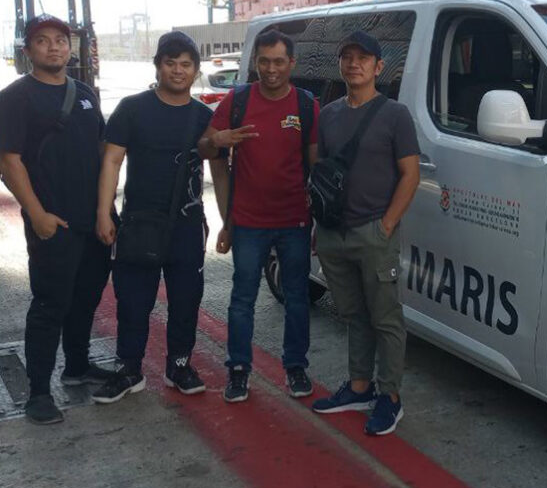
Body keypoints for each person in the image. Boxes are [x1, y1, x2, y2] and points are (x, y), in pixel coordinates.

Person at [91, 32, 224, 404]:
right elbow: (112, 161)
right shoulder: (132, 109)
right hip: (138, 223)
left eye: (185, 65)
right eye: (171, 63)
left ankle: (178, 365)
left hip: (186, 226)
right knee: (133, 301)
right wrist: (104, 213)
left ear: (195, 71)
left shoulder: (203, 117)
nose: (178, 71)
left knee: (186, 300)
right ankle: (128, 369)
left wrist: (227, 220)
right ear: (158, 66)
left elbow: (223, 170)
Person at [0, 14, 113, 424]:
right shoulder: (16, 97)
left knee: (86, 296)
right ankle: (38, 393)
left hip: (92, 220)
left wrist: (106, 211)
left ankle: (78, 365)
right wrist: (37, 215)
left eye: (61, 40)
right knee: (50, 305)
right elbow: (9, 161)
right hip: (52, 222)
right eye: (43, 41)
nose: (54, 47)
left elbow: (103, 154)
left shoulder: (84, 93)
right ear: (28, 50)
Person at [198, 30, 319, 403]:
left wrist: (317, 220)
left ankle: (295, 366)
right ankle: (238, 369)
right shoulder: (237, 101)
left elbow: (315, 165)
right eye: (264, 61)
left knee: (297, 297)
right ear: (255, 62)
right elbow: (204, 148)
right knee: (242, 298)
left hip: (295, 221)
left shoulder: (305, 105)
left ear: (291, 64)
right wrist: (216, 142)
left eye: (279, 61)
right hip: (249, 222)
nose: (270, 69)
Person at [310, 31, 420, 436]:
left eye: (363, 58)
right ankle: (359, 387)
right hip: (334, 235)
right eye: (347, 57)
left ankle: (389, 397)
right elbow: (321, 173)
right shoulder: (329, 114)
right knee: (353, 314)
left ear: (379, 67)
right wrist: (319, 229)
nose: (353, 64)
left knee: (386, 318)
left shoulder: (394, 115)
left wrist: (387, 224)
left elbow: (411, 174)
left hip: (374, 232)